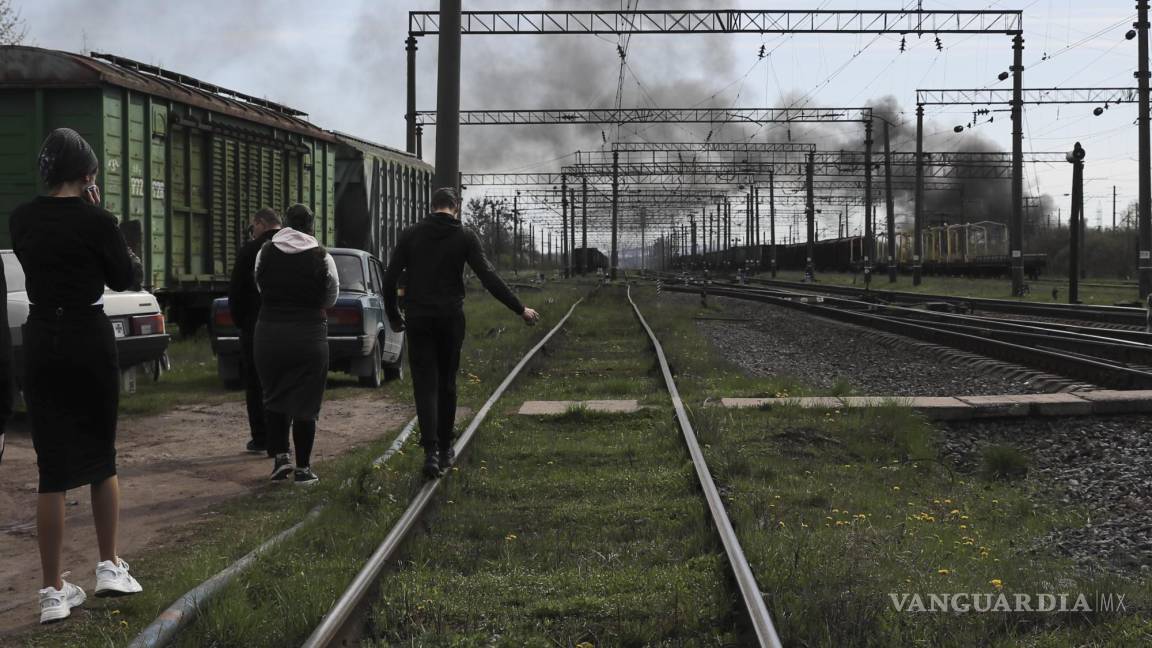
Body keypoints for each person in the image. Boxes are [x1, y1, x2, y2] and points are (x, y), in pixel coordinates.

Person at [10, 128, 143, 625]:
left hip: (43, 337)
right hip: (89, 336)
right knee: (101, 457)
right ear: (88, 174)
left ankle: (51, 591)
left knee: (52, 468)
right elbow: (125, 276)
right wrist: (101, 216)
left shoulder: (20, 219)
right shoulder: (99, 220)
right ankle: (108, 565)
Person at [383, 187, 539, 480]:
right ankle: (445, 449)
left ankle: (429, 453)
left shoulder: (410, 235)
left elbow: (389, 278)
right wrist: (520, 309)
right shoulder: (465, 236)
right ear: (456, 207)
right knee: (447, 382)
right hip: (450, 319)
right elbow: (489, 276)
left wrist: (393, 315)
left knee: (425, 385)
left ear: (433, 206)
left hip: (418, 320)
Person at [253, 204, 338, 485]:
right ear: (311, 226)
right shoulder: (321, 256)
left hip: (269, 333)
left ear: (286, 224)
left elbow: (260, 286)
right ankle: (303, 469)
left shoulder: (265, 251)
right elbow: (331, 297)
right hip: (309, 334)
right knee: (306, 401)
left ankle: (280, 459)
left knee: (274, 395)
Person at [227, 208, 282, 455]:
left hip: (255, 326)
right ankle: (282, 440)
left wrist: (242, 323)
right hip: (288, 325)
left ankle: (260, 438)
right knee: (282, 383)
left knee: (256, 384)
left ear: (260, 223)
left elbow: (236, 292)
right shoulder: (293, 246)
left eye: (253, 226)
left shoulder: (249, 251)